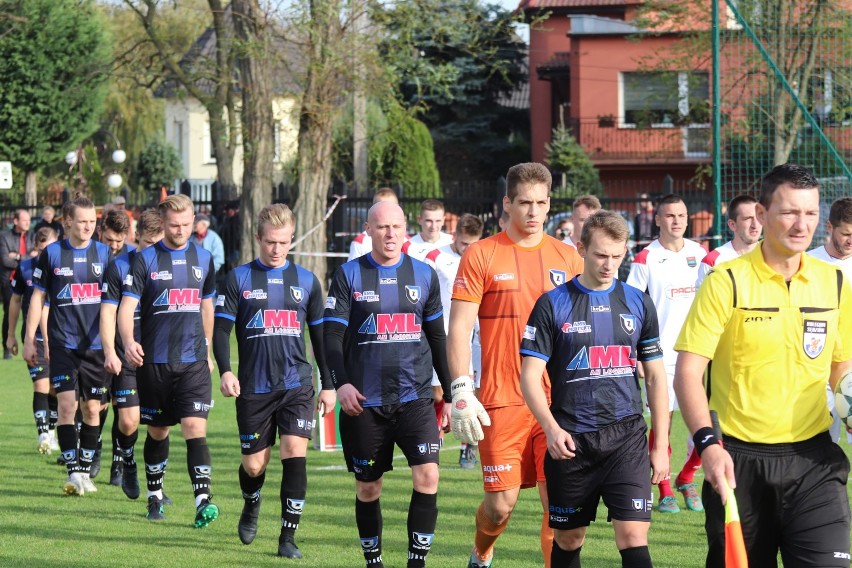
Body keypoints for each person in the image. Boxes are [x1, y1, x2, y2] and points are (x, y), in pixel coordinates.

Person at [674, 164, 852, 566]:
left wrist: (850, 401)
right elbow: (688, 370)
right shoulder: (726, 281)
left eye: (810, 213)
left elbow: (840, 366)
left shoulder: (835, 283)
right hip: (738, 465)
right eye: (789, 212)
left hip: (814, 463)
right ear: (762, 213)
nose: (801, 224)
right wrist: (708, 446)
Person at [448, 162, 584, 568]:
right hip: (502, 399)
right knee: (500, 506)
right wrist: (459, 388)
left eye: (541, 203)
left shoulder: (569, 258)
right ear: (507, 203)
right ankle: (482, 552)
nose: (533, 212)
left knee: (556, 502)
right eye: (524, 203)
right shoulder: (482, 254)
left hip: (557, 402)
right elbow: (458, 329)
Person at [520, 210, 670, 568]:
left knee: (633, 534)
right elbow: (529, 376)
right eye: (601, 255)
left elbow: (655, 377)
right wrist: (552, 430)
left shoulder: (637, 301)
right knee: (570, 538)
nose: (609, 264)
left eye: (617, 256)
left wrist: (661, 444)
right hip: (572, 442)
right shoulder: (552, 303)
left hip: (627, 438)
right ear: (581, 249)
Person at [324, 200, 452, 568]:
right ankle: (374, 561)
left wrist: (451, 393)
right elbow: (331, 337)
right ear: (368, 231)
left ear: (405, 229)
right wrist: (341, 384)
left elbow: (438, 339)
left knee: (428, 476)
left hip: (414, 398)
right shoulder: (349, 275)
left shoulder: (424, 275)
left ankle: (417, 562)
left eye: (396, 226)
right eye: (382, 227)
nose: (390, 234)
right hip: (364, 400)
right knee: (368, 486)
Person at [213, 203, 336, 558]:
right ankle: (252, 502)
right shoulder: (238, 279)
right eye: (270, 242)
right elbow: (221, 331)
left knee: (294, 453)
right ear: (258, 238)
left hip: (296, 384)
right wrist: (225, 370)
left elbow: (320, 337)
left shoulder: (307, 281)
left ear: (292, 239)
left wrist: (328, 384)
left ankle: (287, 537)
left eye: (283, 242)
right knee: (254, 465)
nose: (277, 249)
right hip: (254, 387)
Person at [118, 194, 219, 527]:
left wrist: (206, 349)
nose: (181, 230)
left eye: (187, 224)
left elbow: (207, 306)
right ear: (163, 223)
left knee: (194, 426)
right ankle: (154, 495)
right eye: (175, 225)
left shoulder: (204, 258)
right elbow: (127, 307)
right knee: (159, 431)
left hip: (192, 361)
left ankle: (203, 499)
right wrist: (130, 341)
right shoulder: (145, 259)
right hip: (155, 362)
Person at [24, 197, 112, 495]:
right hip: (62, 343)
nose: (88, 226)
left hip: (97, 346)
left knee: (92, 409)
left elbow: (113, 304)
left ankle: (85, 470)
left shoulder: (104, 253)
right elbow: (37, 298)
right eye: (82, 221)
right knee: (66, 405)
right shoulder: (51, 254)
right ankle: (73, 472)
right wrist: (28, 338)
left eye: (92, 221)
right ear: (68, 222)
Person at [626, 193, 706, 514]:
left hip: (699, 353)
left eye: (682, 215)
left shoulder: (701, 254)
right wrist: (638, 356)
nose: (676, 221)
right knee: (663, 425)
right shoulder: (646, 258)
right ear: (657, 219)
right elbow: (631, 308)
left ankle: (687, 476)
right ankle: (665, 490)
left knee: (711, 422)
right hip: (661, 357)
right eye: (670, 215)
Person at [100, 209, 164, 499]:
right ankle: (126, 461)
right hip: (126, 354)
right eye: (149, 243)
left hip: (160, 356)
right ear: (137, 237)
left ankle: (157, 486)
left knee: (160, 425)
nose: (155, 250)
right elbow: (108, 312)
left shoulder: (169, 265)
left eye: (159, 243)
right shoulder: (119, 266)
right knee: (128, 421)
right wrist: (110, 350)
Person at [425, 213, 484, 469]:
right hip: (445, 335)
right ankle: (434, 438)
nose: (467, 250)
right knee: (438, 393)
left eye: (473, 244)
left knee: (473, 394)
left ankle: (468, 448)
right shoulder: (436, 258)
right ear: (455, 236)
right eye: (463, 244)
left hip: (477, 336)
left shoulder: (484, 256)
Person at [7, 226, 59, 454]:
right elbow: (15, 302)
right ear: (36, 249)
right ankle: (43, 434)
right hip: (33, 337)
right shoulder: (25, 269)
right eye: (42, 250)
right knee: (41, 384)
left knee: (57, 389)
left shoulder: (63, 268)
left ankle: (54, 431)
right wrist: (10, 335)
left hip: (58, 337)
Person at [808, 196, 852, 444]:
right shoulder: (808, 263)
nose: (850, 240)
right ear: (829, 227)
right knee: (822, 445)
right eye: (846, 233)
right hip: (821, 370)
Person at [695, 195, 762, 288]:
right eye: (747, 219)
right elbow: (703, 301)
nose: (755, 225)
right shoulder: (713, 261)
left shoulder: (773, 257)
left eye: (759, 217)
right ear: (732, 225)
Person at [1, 209, 35, 359]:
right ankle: (6, 346)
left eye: (29, 219)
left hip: (30, 280)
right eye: (24, 220)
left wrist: (18, 256)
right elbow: (5, 261)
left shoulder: (33, 236)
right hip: (10, 280)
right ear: (15, 221)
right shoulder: (4, 237)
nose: (28, 222)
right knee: (9, 312)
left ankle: (32, 342)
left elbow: (37, 256)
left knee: (29, 311)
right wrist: (27, 259)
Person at [347, 188, 401, 261]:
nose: (387, 211)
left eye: (391, 207)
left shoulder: (408, 242)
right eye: (381, 207)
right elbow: (352, 270)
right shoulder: (361, 242)